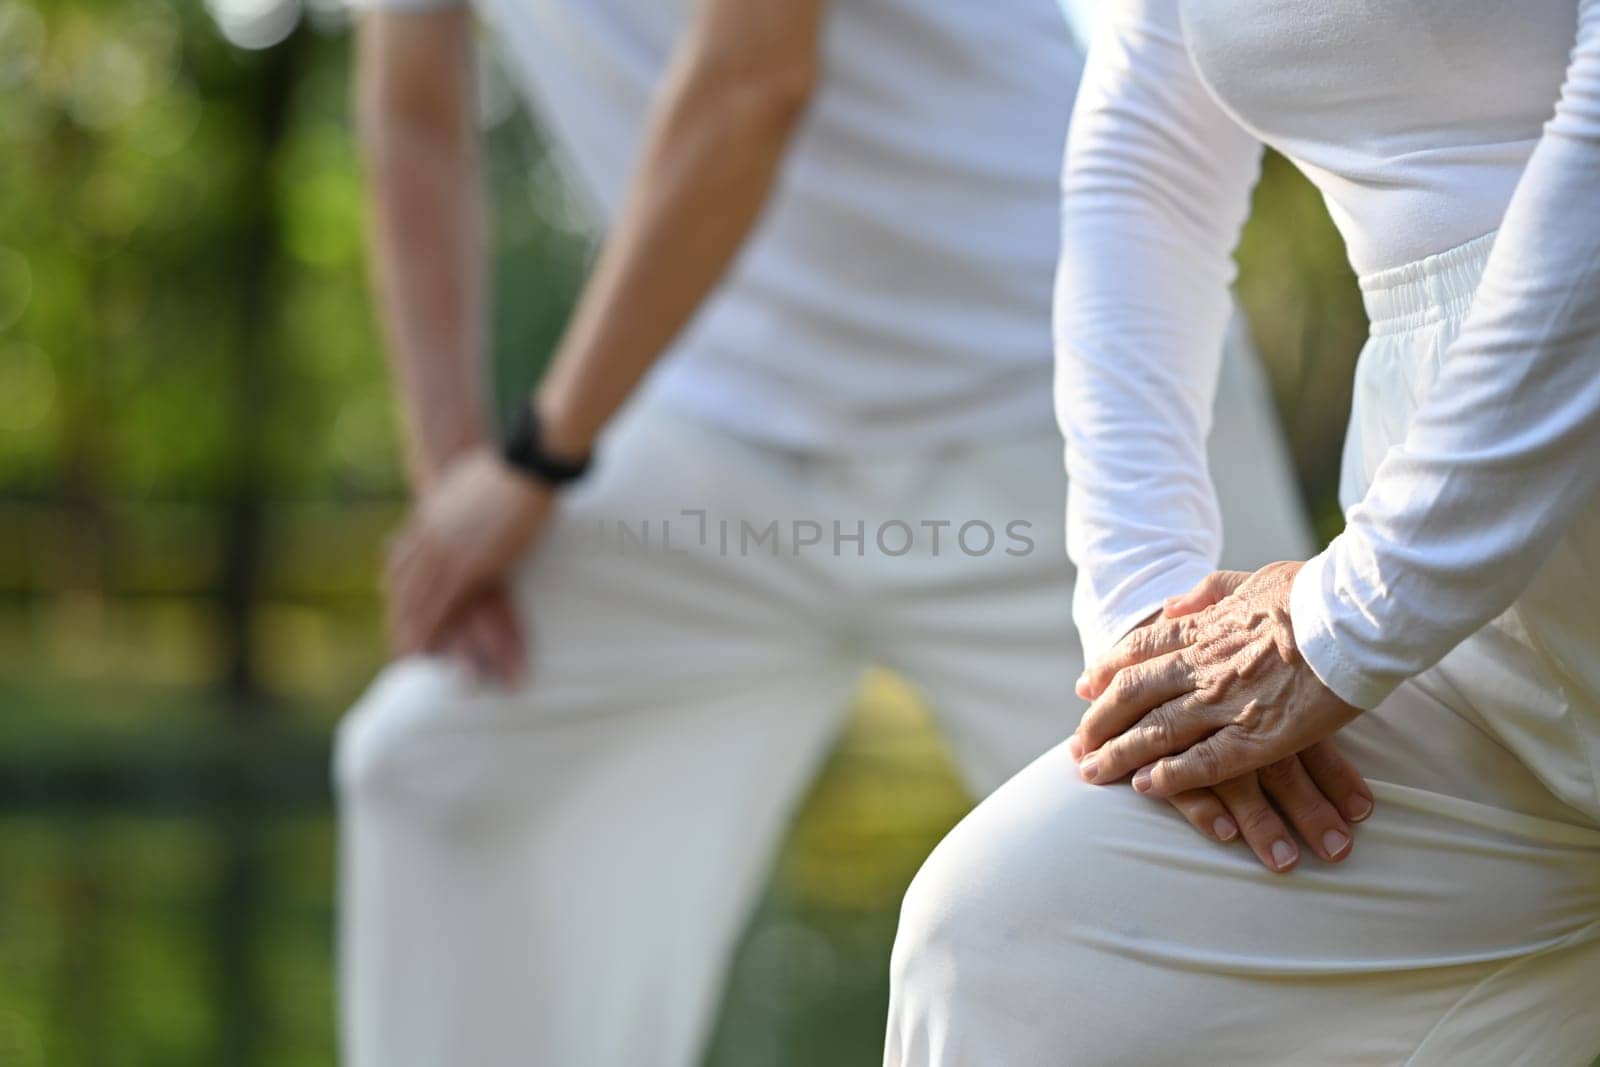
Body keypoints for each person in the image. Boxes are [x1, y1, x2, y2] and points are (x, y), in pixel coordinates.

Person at [333, 1, 1318, 1064]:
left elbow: (753, 80)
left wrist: (533, 455)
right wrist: (455, 490)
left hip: (1062, 390)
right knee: (439, 762)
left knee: (1267, 855)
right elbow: (412, 110)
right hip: (710, 431)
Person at [885, 0, 1600, 1063]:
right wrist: (1151, 616)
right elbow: (1144, 165)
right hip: (1455, 645)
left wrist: (1351, 616)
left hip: (1409, 591)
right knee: (1011, 929)